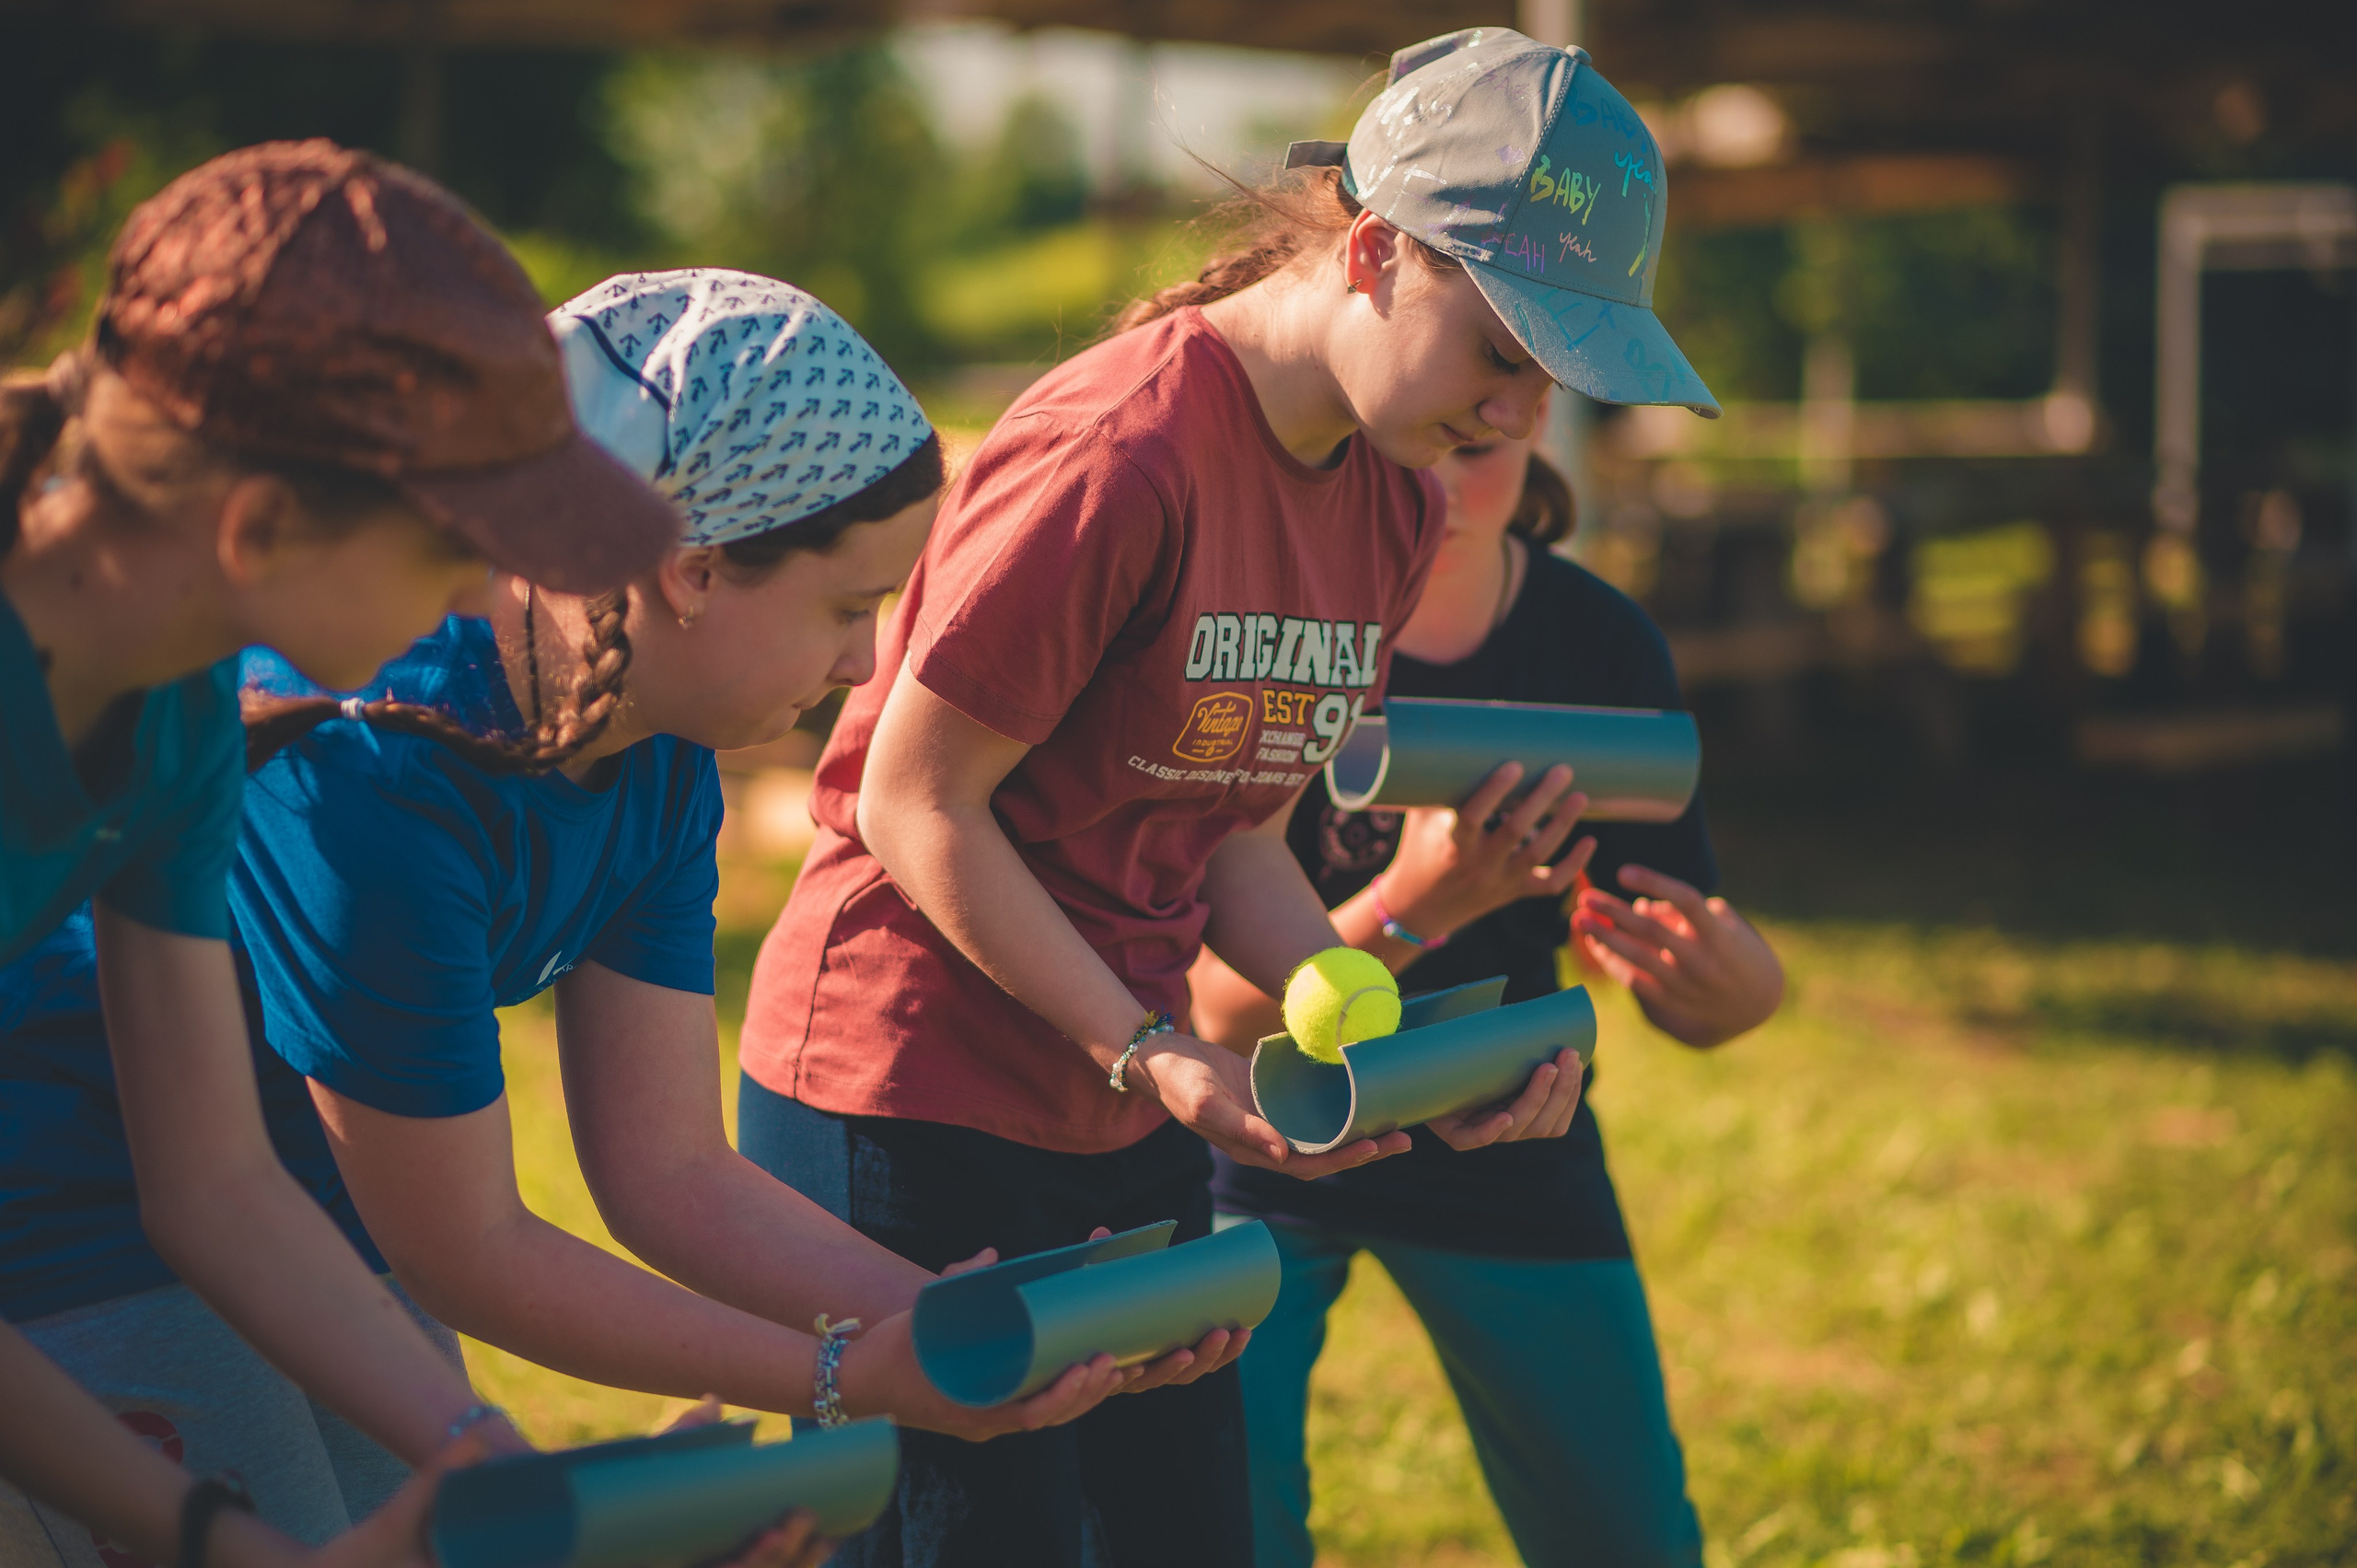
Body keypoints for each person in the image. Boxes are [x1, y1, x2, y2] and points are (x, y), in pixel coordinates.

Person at [0, 271, 1198, 1566]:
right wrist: (848, 1375)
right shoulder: (371, 754)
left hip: (319, 1225)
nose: (864, 666)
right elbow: (465, 1242)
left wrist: (963, 1326)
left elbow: (667, 1172)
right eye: (850, 608)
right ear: (692, 571)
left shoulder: (657, 744)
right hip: (78, 1219)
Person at [733, 28, 1718, 1568]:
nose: (1515, 410)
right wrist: (1151, 1049)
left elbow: (1235, 824)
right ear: (1382, 250)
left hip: (1119, 1085)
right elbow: (916, 807)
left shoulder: (1392, 493)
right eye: (1503, 348)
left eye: (1553, 374)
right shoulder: (1116, 454)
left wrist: (1378, 1033)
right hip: (907, 1088)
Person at [0, 141, 685, 1565]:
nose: (486, 595)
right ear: (258, 523)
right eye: (456, 547)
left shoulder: (183, 711)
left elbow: (215, 1181)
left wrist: (484, 1461)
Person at [1192, 412, 1785, 1567]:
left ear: (1538, 437)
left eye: (1483, 446)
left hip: (1509, 1130)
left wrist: (1736, 989)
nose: (1440, 480)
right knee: (1218, 1525)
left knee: (1625, 1536)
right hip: (1265, 1139)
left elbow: (1687, 980)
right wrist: (1423, 902)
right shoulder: (1274, 630)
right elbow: (1219, 1008)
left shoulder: (1595, 640)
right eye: (1409, 442)